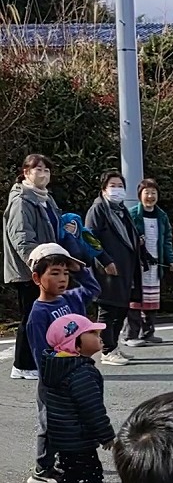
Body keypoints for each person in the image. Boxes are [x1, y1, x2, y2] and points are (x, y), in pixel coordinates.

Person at [2, 153, 103, 379]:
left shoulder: (45, 198)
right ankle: (24, 365)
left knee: (43, 316)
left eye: (46, 170)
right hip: (31, 269)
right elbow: (21, 238)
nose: (43, 174)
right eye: (38, 169)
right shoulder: (21, 201)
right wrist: (37, 266)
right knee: (31, 317)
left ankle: (37, 362)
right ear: (25, 173)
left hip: (48, 265)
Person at [25, 243, 101, 483]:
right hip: (54, 379)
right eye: (54, 273)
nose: (62, 279)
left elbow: (93, 288)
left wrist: (80, 268)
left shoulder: (70, 299)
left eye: (65, 273)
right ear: (37, 278)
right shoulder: (39, 313)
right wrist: (53, 380)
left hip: (75, 374)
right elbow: (41, 353)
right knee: (49, 423)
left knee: (71, 421)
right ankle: (41, 469)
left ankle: (62, 461)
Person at [41, 314, 127, 483]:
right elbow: (92, 409)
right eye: (92, 333)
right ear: (75, 344)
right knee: (92, 473)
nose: (100, 336)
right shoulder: (81, 373)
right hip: (79, 436)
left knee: (69, 472)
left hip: (61, 434)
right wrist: (106, 435)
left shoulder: (55, 366)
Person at [85, 170, 144, 366]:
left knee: (120, 309)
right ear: (103, 189)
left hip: (125, 269)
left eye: (120, 186)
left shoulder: (122, 210)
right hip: (107, 269)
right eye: (113, 186)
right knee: (108, 310)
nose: (117, 190)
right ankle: (107, 350)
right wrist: (105, 260)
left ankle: (114, 346)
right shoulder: (98, 210)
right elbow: (89, 238)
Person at [126, 178, 173, 346]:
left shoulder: (161, 216)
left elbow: (167, 240)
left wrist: (171, 259)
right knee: (135, 300)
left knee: (152, 299)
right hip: (137, 265)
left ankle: (148, 333)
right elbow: (125, 237)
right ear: (140, 195)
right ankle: (131, 335)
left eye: (153, 193)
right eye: (147, 192)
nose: (150, 196)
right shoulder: (132, 214)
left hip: (156, 264)